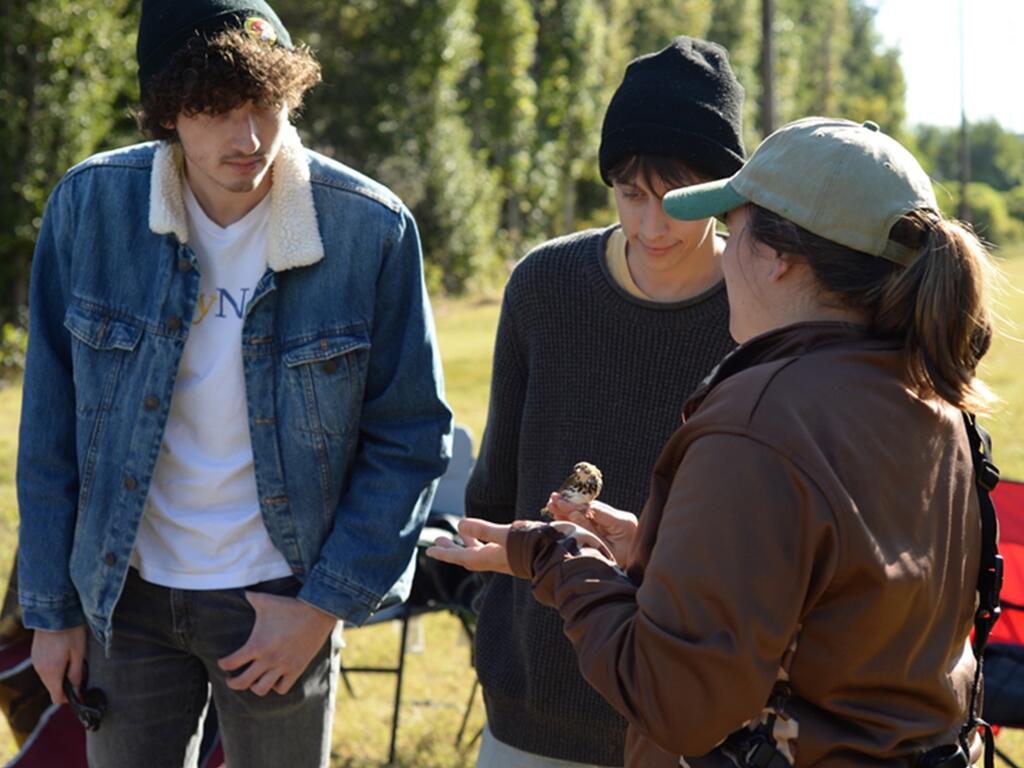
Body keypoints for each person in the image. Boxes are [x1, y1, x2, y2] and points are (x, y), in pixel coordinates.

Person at [431, 116, 997, 766]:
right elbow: (838, 601)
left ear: (780, 257)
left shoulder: (761, 420)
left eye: (736, 225)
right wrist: (658, 553)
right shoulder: (930, 395)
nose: (724, 248)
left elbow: (675, 701)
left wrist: (558, 557)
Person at [16, 1, 452, 766]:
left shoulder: (369, 228)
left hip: (281, 602)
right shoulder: (89, 209)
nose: (248, 138)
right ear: (165, 114)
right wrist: (52, 613)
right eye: (214, 110)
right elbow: (49, 428)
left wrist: (321, 609)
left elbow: (410, 437)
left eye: (266, 106)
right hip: (128, 597)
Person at [463, 37, 744, 767]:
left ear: (726, 189)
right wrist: (493, 632)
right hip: (530, 701)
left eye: (678, 201)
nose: (652, 227)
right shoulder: (542, 287)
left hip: (693, 716)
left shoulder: (762, 306)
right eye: (631, 195)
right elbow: (497, 482)